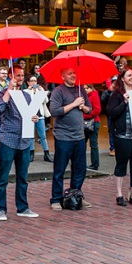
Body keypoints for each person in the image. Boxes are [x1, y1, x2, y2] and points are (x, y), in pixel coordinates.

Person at [0, 65, 40, 221]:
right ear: (10, 76)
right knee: (3, 176)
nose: (19, 79)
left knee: (23, 176)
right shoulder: (2, 94)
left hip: (24, 140)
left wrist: (34, 118)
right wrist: (9, 88)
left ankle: (23, 207)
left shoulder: (27, 97)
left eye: (21, 76)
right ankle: (0, 209)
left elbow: (34, 115)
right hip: (8, 139)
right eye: (17, 76)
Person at [48, 68, 92, 211]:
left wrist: (83, 106)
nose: (73, 76)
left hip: (79, 136)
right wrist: (73, 104)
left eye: (74, 73)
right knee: (60, 169)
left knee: (79, 169)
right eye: (69, 74)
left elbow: (90, 109)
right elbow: (54, 111)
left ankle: (75, 196)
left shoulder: (81, 90)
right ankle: (56, 199)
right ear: (62, 76)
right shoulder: (58, 91)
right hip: (63, 137)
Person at [107, 68, 132, 206]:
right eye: (129, 75)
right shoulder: (117, 95)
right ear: (122, 78)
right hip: (123, 135)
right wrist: (124, 102)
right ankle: (119, 194)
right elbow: (112, 113)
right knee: (121, 164)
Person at [24, 75, 52, 163]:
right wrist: (30, 90)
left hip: (40, 115)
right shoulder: (25, 91)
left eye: (35, 81)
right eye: (31, 81)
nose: (34, 83)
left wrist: (41, 91)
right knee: (31, 136)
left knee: (42, 136)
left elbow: (46, 101)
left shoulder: (40, 91)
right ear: (28, 82)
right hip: (30, 116)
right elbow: (27, 101)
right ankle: (31, 153)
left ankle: (46, 153)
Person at [83, 84, 101, 170]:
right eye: (84, 88)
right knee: (83, 143)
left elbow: (97, 110)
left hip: (93, 122)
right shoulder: (84, 96)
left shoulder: (94, 95)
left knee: (93, 144)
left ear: (91, 88)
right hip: (87, 122)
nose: (86, 90)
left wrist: (86, 115)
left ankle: (95, 164)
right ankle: (82, 162)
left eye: (87, 88)